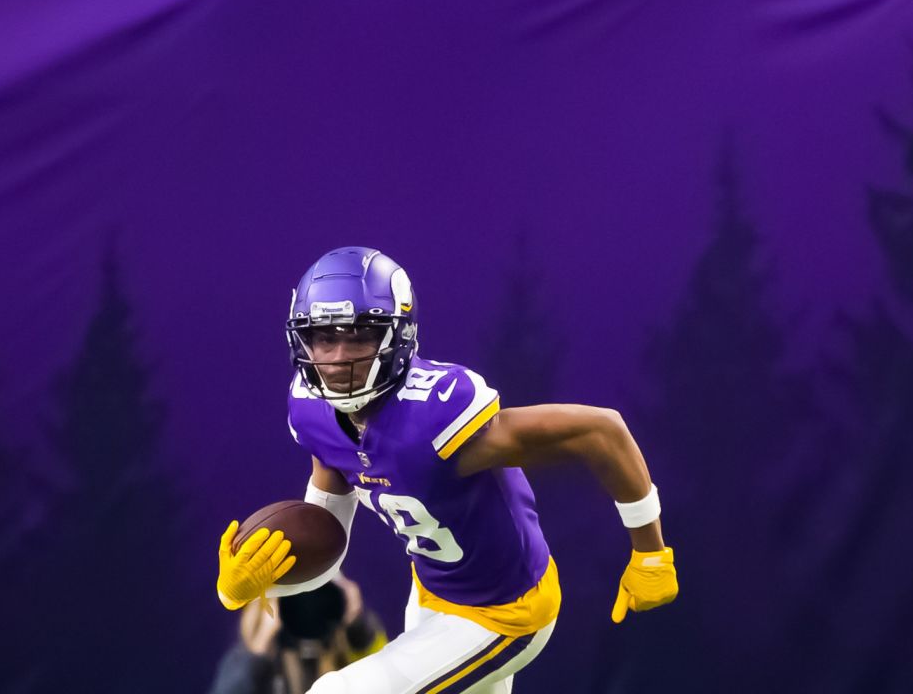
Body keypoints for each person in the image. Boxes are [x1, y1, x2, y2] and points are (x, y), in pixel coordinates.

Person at [216, 246, 678, 693]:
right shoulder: (314, 411)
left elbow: (600, 431)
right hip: (432, 595)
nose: (338, 357)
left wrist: (650, 553)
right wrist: (259, 580)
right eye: (324, 337)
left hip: (506, 610)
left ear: (397, 335)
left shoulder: (435, 415)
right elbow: (328, 539)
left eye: (359, 335)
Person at [208, 575, 388, 694]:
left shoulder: (350, 654)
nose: (306, 608)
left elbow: (387, 678)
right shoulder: (252, 666)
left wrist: (357, 626)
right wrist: (259, 648)